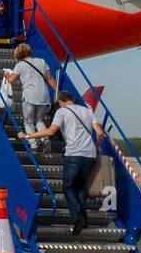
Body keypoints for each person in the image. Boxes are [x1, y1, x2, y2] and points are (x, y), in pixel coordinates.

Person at [22, 91, 104, 236]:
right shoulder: (88, 111)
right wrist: (97, 146)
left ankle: (77, 217)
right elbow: (99, 132)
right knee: (80, 186)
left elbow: (51, 132)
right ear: (71, 99)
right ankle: (83, 218)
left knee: (67, 187)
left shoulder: (62, 112)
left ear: (60, 101)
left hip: (73, 154)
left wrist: (27, 135)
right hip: (90, 155)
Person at [2, 43, 58, 144]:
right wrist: (58, 93)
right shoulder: (41, 61)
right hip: (44, 96)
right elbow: (50, 79)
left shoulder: (19, 65)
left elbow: (11, 80)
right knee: (39, 120)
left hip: (29, 96)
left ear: (18, 55)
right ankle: (45, 139)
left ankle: (33, 143)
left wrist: (6, 75)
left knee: (28, 122)